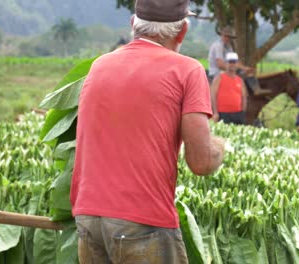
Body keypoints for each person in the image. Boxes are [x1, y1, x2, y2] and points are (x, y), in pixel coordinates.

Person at [70, 0, 225, 263]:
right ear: (182, 31)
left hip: (89, 218)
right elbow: (201, 162)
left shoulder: (99, 66)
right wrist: (220, 148)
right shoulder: (188, 70)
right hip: (142, 220)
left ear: (133, 25)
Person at [210, 52, 247, 124]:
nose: (232, 64)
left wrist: (243, 113)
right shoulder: (219, 78)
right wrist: (215, 112)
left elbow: (244, 97)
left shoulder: (240, 80)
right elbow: (213, 95)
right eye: (230, 62)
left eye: (234, 62)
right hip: (223, 114)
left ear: (237, 64)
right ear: (226, 64)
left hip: (238, 114)